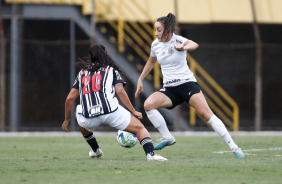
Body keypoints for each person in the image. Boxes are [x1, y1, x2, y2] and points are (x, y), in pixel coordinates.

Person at [135, 13, 245, 158]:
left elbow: (194, 44)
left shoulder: (178, 40)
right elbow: (151, 62)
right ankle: (168, 138)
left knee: (206, 114)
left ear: (168, 30)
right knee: (148, 104)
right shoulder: (155, 44)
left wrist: (183, 47)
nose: (156, 33)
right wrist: (140, 79)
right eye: (155, 29)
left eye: (159, 30)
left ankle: (235, 147)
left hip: (187, 85)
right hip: (170, 89)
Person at [62, 44, 167, 161]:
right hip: (110, 112)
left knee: (79, 111)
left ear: (90, 57)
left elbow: (69, 98)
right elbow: (120, 91)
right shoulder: (111, 70)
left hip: (89, 117)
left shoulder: (82, 73)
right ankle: (151, 155)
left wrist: (67, 119)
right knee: (140, 129)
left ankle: (95, 150)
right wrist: (133, 111)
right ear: (106, 54)